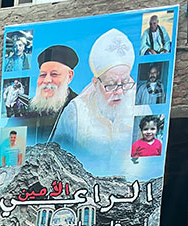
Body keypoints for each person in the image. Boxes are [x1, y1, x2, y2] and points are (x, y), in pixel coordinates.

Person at [53, 29, 146, 178]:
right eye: (111, 84)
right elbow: (54, 161)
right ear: (95, 84)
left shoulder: (141, 107)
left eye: (125, 82)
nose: (120, 91)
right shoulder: (76, 112)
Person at [22, 45, 79, 144]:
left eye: (54, 74)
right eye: (43, 75)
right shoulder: (25, 109)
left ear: (69, 76)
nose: (47, 80)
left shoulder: (79, 108)